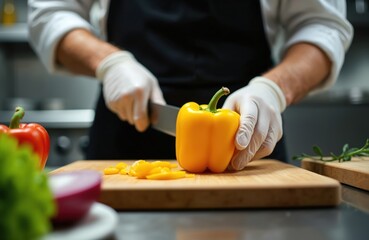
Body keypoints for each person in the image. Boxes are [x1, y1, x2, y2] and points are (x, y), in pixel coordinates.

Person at [28, 0, 353, 170]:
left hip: (248, 137)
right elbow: (52, 13)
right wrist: (110, 63)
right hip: (126, 129)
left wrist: (273, 89)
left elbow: (322, 26)